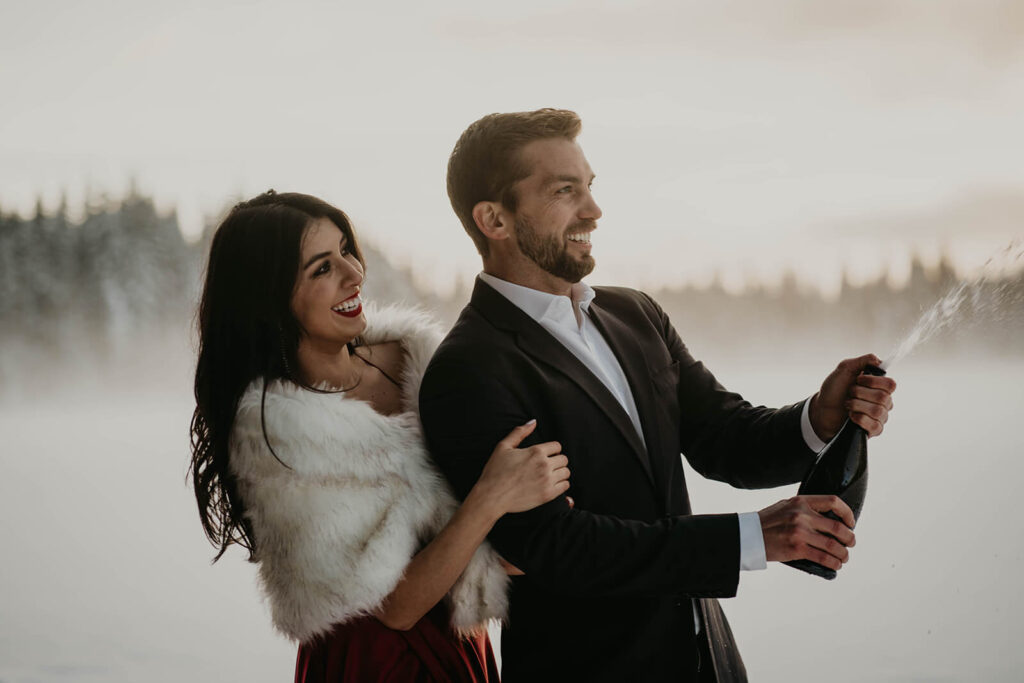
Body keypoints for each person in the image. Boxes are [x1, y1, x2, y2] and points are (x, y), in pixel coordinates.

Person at [418, 109, 898, 683]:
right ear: (494, 218)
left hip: (709, 661)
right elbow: (559, 549)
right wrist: (751, 537)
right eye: (565, 191)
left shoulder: (634, 313)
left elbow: (723, 435)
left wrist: (819, 416)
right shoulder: (468, 368)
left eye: (590, 187)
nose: (593, 211)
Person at [189, 190, 572, 682]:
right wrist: (491, 498)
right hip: (373, 661)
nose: (354, 273)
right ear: (272, 299)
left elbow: (471, 534)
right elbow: (395, 608)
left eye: (346, 249)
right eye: (321, 269)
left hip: (460, 645)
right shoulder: (277, 435)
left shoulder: (420, 360)